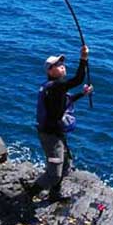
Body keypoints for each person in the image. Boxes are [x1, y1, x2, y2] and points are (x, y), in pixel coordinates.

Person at [34, 45, 93, 202]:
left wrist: (83, 93)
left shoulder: (56, 88)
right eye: (58, 65)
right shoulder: (55, 86)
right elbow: (79, 79)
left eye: (62, 64)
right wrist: (83, 58)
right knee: (54, 174)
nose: (62, 66)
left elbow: (66, 101)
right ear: (49, 71)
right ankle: (29, 194)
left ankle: (55, 194)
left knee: (66, 165)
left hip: (56, 133)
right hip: (50, 136)